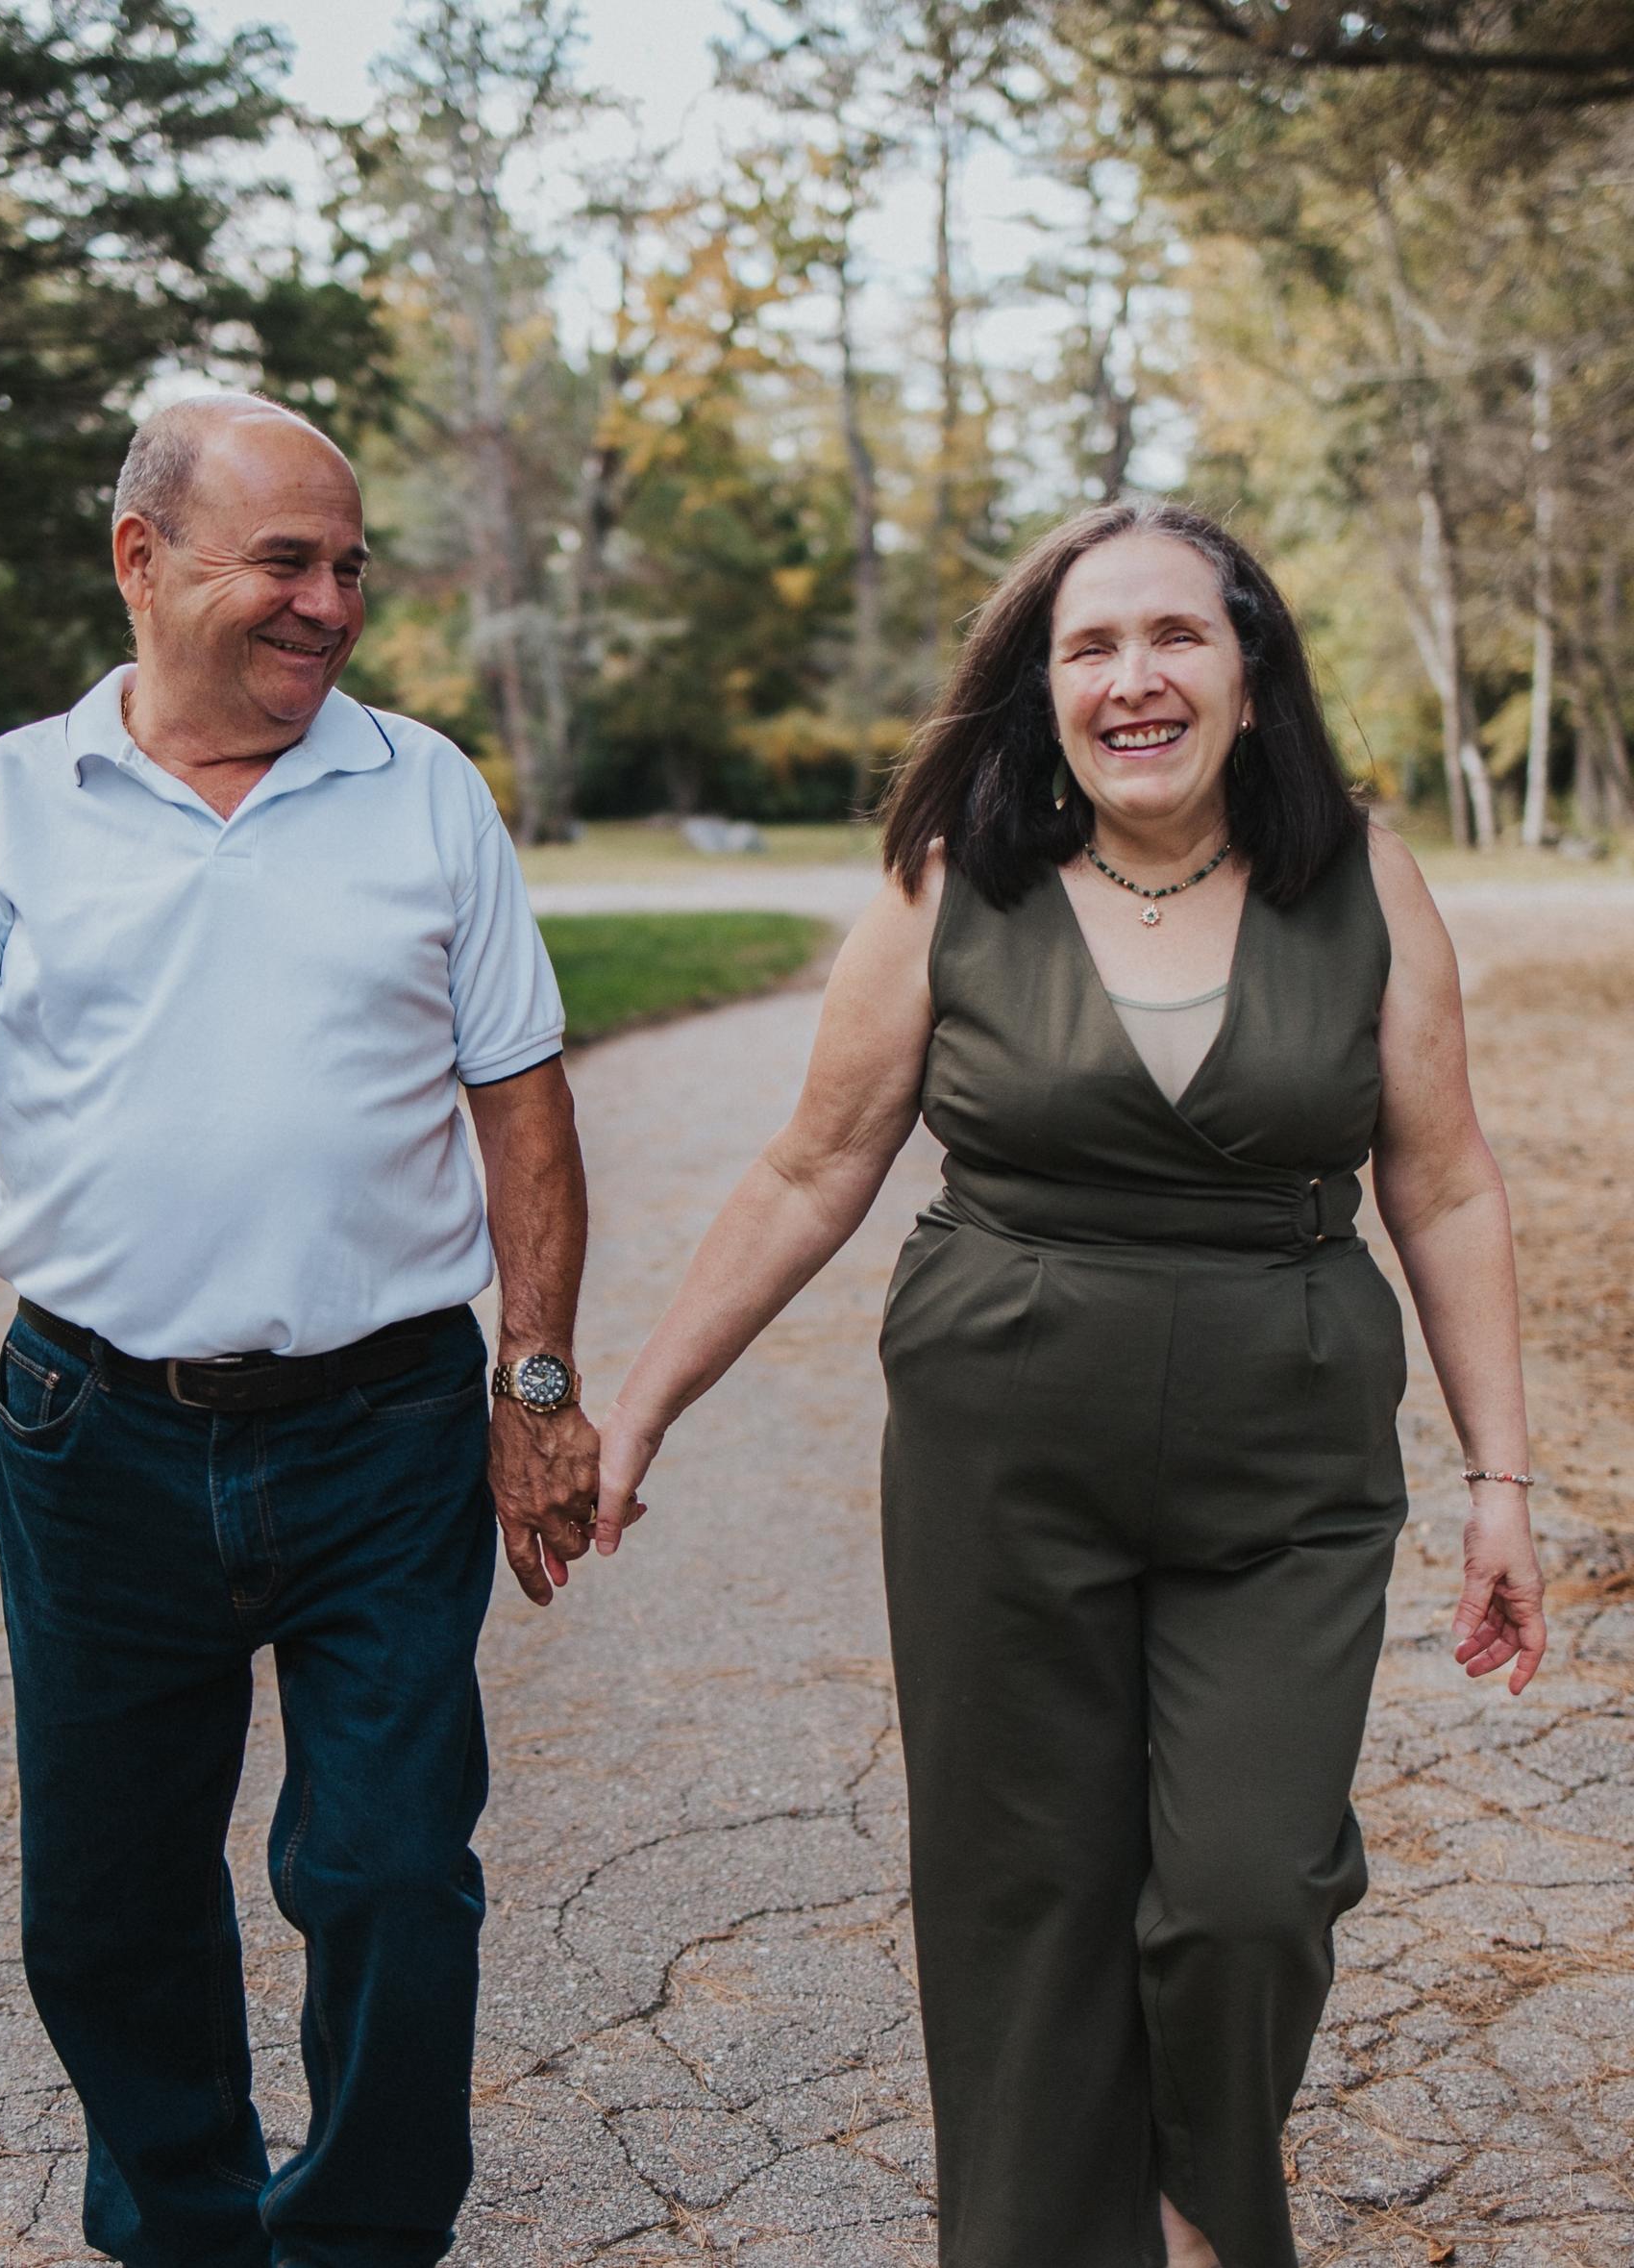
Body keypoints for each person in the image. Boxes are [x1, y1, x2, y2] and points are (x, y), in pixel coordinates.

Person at [592, 498, 1547, 2268]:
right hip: (999, 1468)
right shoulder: (953, 878)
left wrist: (1501, 1480)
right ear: (1041, 692)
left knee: (1247, 1897)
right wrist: (644, 1404)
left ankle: (1200, 2210)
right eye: (1089, 646)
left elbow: (1449, 1177)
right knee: (1023, 1901)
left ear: (1250, 674)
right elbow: (813, 1168)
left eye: (1176, 636)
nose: (1134, 678)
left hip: (1288, 1465)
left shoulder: (1361, 872)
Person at [0, 393, 603, 2268]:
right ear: (141, 560)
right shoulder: (9, 803)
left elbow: (524, 1107)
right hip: (100, 1438)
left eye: (347, 566)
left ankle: (350, 2240)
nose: (329, 602)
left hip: (385, 1429)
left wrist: (538, 1382)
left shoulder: (420, 790)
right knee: (105, 1900)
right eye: (285, 561)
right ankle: (184, 2233)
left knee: (393, 1869)